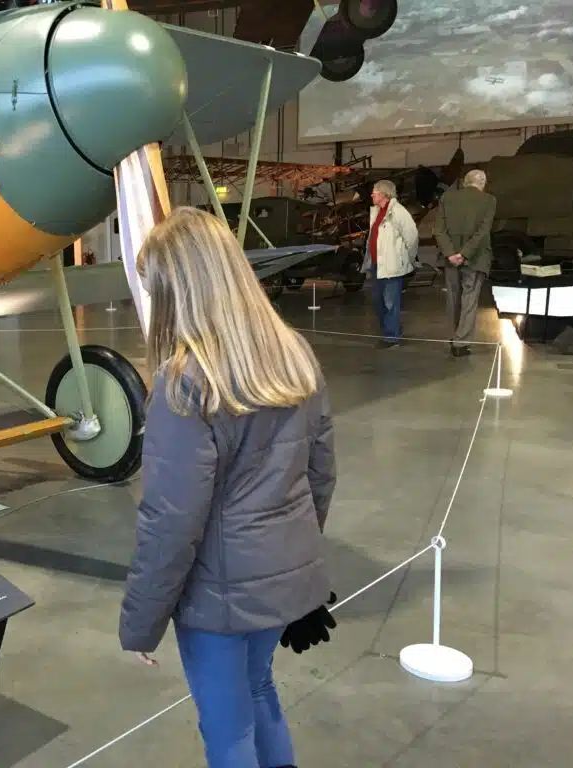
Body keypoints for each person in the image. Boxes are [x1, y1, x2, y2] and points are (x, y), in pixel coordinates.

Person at [118, 207, 339, 768]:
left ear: (178, 290)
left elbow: (170, 521)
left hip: (217, 598)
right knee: (260, 690)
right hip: (276, 585)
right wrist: (294, 576)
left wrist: (141, 625)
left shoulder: (185, 381)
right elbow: (320, 473)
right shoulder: (294, 354)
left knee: (227, 731)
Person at [434, 169, 497, 357]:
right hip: (475, 258)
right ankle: (461, 343)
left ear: (465, 182)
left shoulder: (447, 198)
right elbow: (483, 231)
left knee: (453, 298)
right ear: (483, 183)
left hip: (450, 258)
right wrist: (465, 254)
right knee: (469, 299)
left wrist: (451, 253)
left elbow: (438, 229)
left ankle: (454, 336)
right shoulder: (489, 201)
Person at [360, 179, 419, 348]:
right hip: (377, 264)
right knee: (377, 300)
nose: (372, 194)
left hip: (392, 265)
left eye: (375, 192)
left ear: (384, 194)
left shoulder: (399, 212)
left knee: (390, 301)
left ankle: (391, 337)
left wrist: (406, 259)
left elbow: (412, 237)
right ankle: (392, 330)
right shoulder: (377, 211)